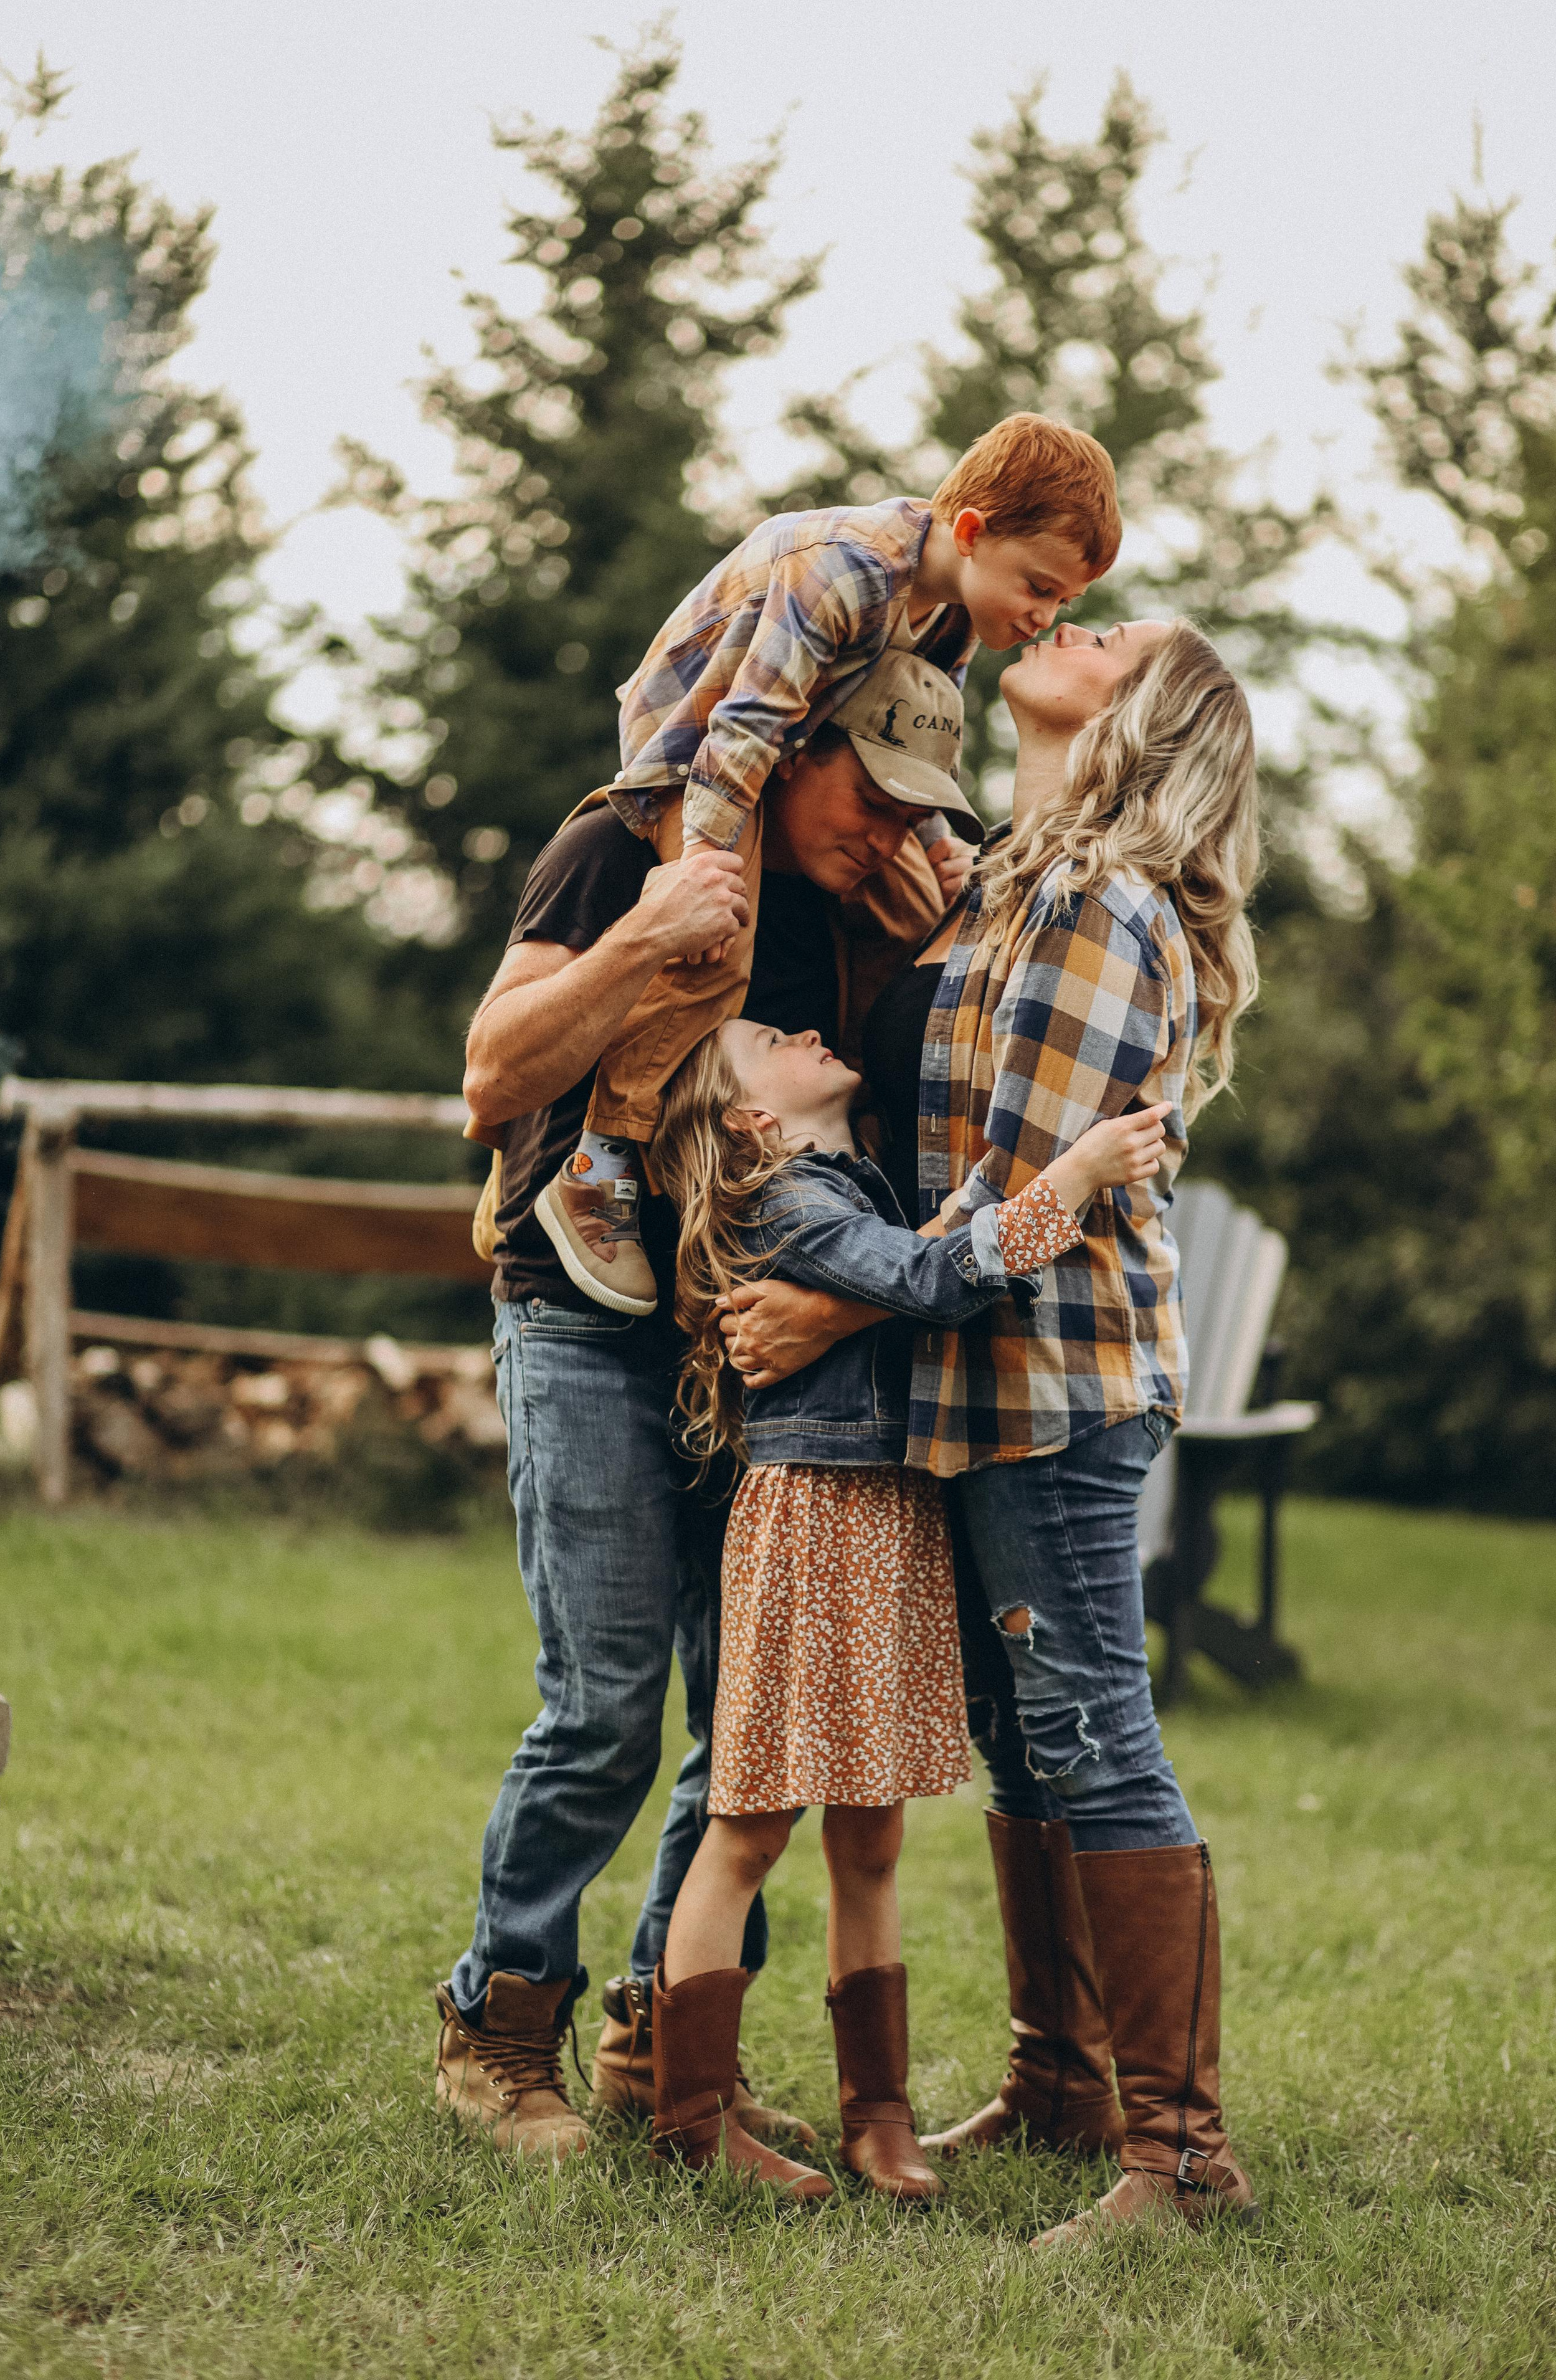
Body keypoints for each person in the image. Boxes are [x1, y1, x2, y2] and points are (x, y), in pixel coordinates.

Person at [718, 617, 1264, 2244]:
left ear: (1146, 716)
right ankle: (1060, 2080)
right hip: (977, 1378)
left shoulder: (1100, 900)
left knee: (1092, 1732)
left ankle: (1181, 2159)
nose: (1077, 621)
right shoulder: (1016, 885)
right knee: (1030, 1740)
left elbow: (1025, 1173)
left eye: (1118, 635)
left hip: (1057, 1382)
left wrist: (834, 1307)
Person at [434, 656, 981, 2162]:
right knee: (606, 1701)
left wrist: (921, 940)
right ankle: (499, 2031)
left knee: (739, 1723)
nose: (886, 833)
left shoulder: (851, 911)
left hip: (749, 1347)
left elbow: (864, 1158)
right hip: (583, 1321)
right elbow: (489, 1080)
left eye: (914, 813)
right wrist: (644, 936)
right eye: (870, 797)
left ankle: (664, 2049)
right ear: (792, 750)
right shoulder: (620, 843)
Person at [643, 1016, 1171, 2201]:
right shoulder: (789, 1201)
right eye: (773, 1038)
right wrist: (1077, 1173)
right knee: (752, 1828)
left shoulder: (855, 1184)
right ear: (753, 1121)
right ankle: (690, 2115)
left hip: (892, 1523)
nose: (810, 1030)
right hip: (816, 1526)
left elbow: (923, 1259)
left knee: (872, 1837)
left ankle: (876, 2117)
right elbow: (934, 1282)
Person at [520, 414, 1122, 1318]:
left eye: (1065, 601)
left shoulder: (950, 613)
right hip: (696, 751)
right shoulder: (846, 570)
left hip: (789, 751)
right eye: (1039, 587)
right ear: (970, 531)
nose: (1045, 617)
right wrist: (708, 870)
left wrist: (942, 851)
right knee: (716, 940)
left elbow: (924, 736)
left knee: (917, 915)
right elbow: (744, 728)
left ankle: (882, 1158)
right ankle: (599, 1161)